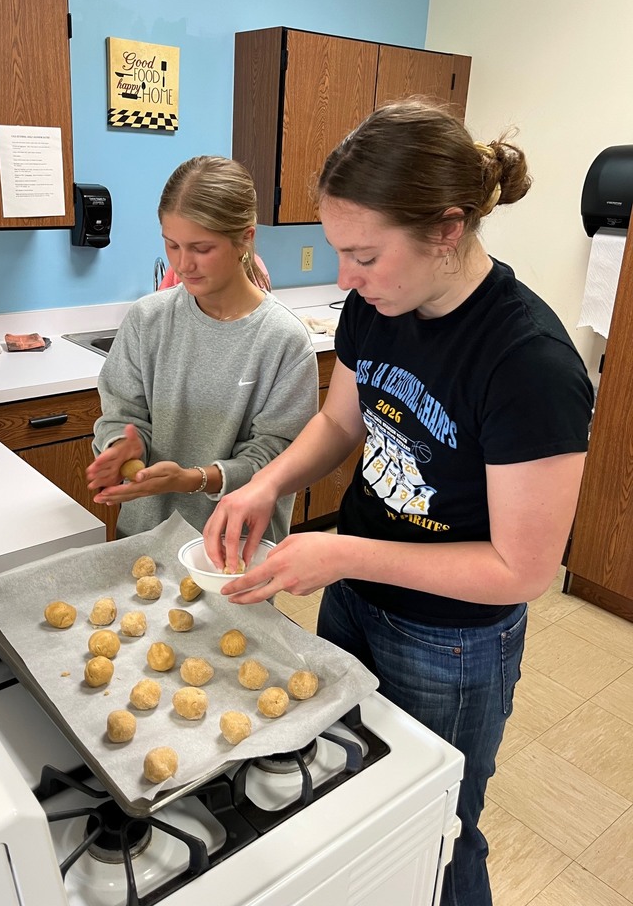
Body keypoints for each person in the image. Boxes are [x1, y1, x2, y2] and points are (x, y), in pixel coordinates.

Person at [202, 102, 594, 906]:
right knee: (358, 803)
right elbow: (342, 419)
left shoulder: (529, 363)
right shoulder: (378, 307)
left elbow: (522, 570)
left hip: (449, 643)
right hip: (356, 603)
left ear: (447, 231)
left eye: (364, 255)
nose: (346, 277)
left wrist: (339, 550)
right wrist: (267, 482)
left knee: (439, 826)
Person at [87, 155, 318, 542]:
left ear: (245, 237)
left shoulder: (283, 340)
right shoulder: (148, 320)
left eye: (202, 247)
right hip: (147, 537)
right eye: (172, 245)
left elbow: (277, 456)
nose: (184, 263)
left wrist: (193, 480)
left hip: (236, 545)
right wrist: (121, 444)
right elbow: (122, 413)